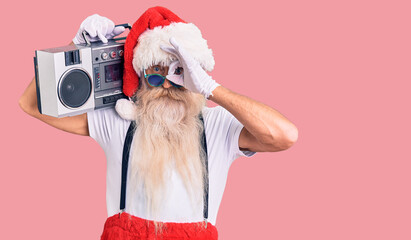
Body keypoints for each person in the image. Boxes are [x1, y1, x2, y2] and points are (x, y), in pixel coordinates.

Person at [19, 6, 298, 240]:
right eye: (156, 74)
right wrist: (76, 46)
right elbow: (30, 104)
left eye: (180, 75)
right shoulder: (119, 120)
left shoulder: (217, 126)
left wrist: (212, 89)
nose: (166, 84)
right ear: (141, 78)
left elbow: (284, 135)